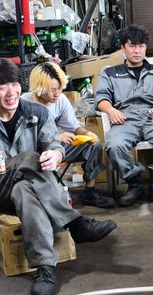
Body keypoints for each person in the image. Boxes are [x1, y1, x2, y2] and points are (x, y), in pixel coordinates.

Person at [0, 58, 117, 295]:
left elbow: (54, 145)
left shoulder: (37, 112)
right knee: (29, 157)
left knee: (23, 190)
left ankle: (45, 268)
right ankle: (75, 224)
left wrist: (55, 155)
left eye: (14, 84)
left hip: (32, 187)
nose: (11, 92)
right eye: (2, 87)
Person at [94, 24, 153, 206]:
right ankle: (134, 184)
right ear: (123, 48)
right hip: (124, 119)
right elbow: (100, 98)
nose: (137, 51)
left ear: (145, 48)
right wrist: (111, 110)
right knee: (115, 145)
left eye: (141, 46)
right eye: (132, 46)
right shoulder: (110, 74)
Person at [22, 62, 115, 208]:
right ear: (40, 88)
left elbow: (74, 127)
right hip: (35, 152)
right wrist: (58, 137)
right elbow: (23, 142)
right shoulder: (24, 103)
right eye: (53, 90)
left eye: (60, 88)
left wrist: (88, 134)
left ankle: (90, 191)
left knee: (93, 144)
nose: (57, 93)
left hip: (57, 149)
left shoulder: (60, 100)